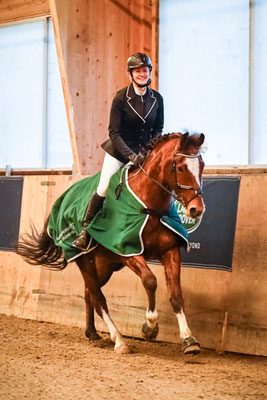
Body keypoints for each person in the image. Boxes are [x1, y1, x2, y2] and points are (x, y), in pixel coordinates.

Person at [73, 52, 164, 251]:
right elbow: (114, 132)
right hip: (120, 152)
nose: (142, 74)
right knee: (104, 187)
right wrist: (130, 155)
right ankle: (85, 231)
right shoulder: (121, 97)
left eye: (145, 70)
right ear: (131, 74)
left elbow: (158, 128)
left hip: (145, 153)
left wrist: (150, 149)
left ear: (150, 72)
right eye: (138, 71)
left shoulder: (157, 99)